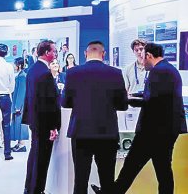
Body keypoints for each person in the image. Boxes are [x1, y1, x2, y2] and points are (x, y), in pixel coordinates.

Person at [92, 42, 188, 194]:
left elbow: (152, 101)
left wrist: (128, 101)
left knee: (134, 165)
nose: (142, 62)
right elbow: (156, 95)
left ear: (148, 55)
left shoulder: (158, 71)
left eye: (143, 57)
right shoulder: (169, 69)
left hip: (153, 131)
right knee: (159, 168)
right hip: (166, 129)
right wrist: (135, 96)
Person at [62, 41, 128, 194]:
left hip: (80, 132)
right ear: (103, 54)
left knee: (80, 179)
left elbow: (65, 103)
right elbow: (122, 105)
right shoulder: (115, 73)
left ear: (85, 53)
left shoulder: (73, 73)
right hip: (107, 133)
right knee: (107, 179)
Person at [22, 40, 61, 194]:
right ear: (47, 52)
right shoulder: (45, 73)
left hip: (35, 120)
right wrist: (53, 126)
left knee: (35, 156)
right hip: (43, 123)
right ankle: (37, 189)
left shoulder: (33, 69)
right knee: (42, 159)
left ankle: (30, 188)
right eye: (54, 51)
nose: (56, 54)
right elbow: (49, 103)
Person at [11, 57, 29, 153]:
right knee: (17, 124)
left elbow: (22, 92)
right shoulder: (20, 75)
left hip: (20, 105)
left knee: (21, 124)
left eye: (15, 64)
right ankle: (19, 143)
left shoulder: (22, 76)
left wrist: (18, 106)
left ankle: (22, 144)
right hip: (18, 104)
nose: (14, 66)